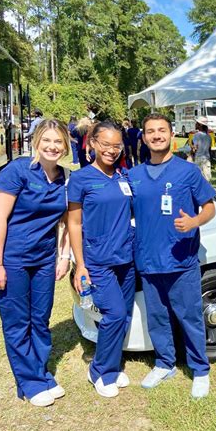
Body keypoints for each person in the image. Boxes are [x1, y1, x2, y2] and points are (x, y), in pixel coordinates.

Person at [130, 113, 216, 399]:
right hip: (148, 260)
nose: (156, 135)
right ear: (143, 137)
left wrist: (194, 222)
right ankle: (164, 363)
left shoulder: (187, 172)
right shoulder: (134, 176)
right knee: (157, 317)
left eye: (162, 130)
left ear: (172, 135)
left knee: (189, 316)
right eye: (151, 131)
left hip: (181, 261)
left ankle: (200, 369)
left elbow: (209, 208)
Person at [0, 119, 71, 407]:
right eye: (47, 140)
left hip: (45, 258)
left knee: (40, 319)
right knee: (17, 322)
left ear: (66, 145)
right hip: (12, 259)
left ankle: (40, 373)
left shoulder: (65, 177)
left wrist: (64, 256)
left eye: (58, 141)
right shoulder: (18, 171)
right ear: (36, 141)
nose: (52, 146)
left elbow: (65, 223)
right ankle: (30, 383)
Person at [67, 121, 135, 399]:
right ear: (92, 144)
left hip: (127, 260)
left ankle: (113, 365)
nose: (111, 150)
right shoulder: (81, 179)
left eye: (116, 145)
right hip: (98, 261)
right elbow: (73, 224)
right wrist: (80, 264)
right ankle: (99, 371)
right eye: (105, 144)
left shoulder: (123, 176)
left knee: (125, 315)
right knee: (114, 313)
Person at [192, 117, 212, 181]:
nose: (195, 124)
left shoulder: (196, 135)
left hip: (198, 159)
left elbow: (195, 148)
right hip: (206, 160)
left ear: (200, 125)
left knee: (197, 180)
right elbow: (209, 149)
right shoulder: (208, 136)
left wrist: (191, 153)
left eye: (197, 123)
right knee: (207, 181)